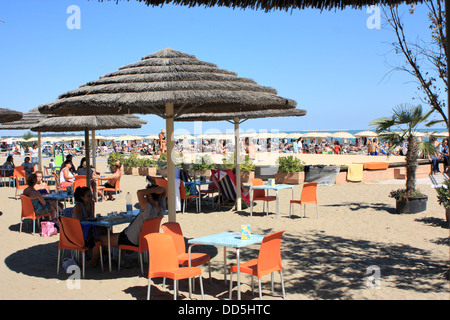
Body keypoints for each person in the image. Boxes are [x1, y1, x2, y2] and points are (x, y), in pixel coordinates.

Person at [99, 183, 166, 248]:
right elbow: (164, 190)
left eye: (147, 195)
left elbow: (139, 193)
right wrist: (155, 190)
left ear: (149, 196)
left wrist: (152, 190)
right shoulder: (161, 209)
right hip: (142, 239)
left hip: (131, 239)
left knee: (99, 239)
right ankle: (117, 257)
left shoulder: (148, 210)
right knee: (115, 234)